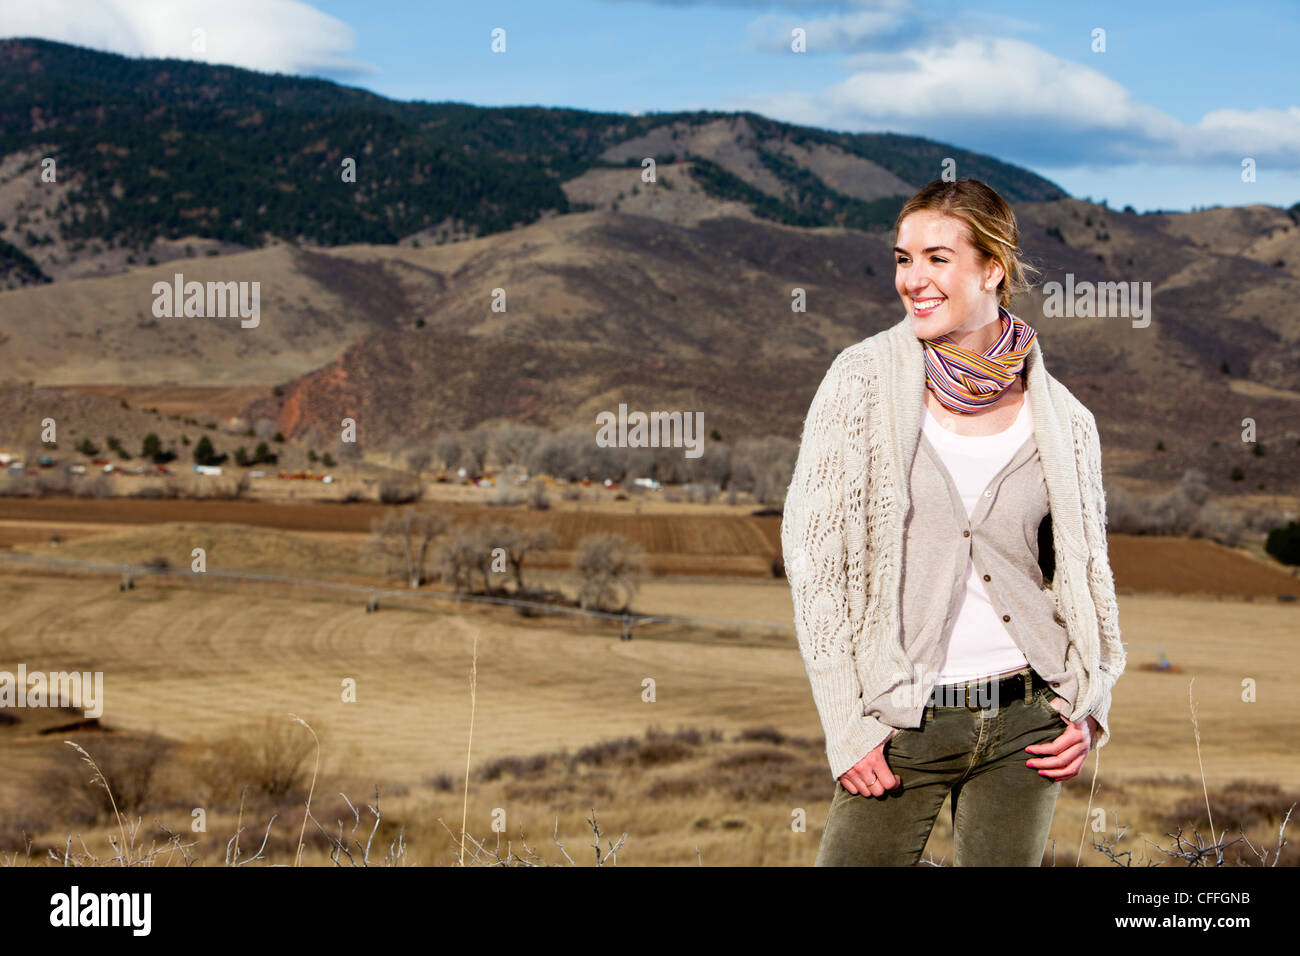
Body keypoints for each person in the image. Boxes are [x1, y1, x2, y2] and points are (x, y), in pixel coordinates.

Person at [781, 177, 1125, 866]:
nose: (913, 279)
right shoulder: (860, 384)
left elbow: (1085, 574)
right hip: (901, 719)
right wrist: (846, 723)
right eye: (904, 259)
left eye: (937, 258)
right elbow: (815, 564)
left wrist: (1089, 707)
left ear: (991, 267)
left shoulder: (1066, 421)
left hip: (1028, 721)